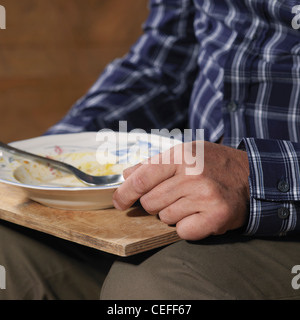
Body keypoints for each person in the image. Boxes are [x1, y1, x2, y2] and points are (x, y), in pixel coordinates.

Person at [1, 0, 300, 300]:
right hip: (180, 200)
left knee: (150, 292)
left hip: (287, 223)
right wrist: (55, 153)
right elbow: (163, 66)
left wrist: (254, 177)